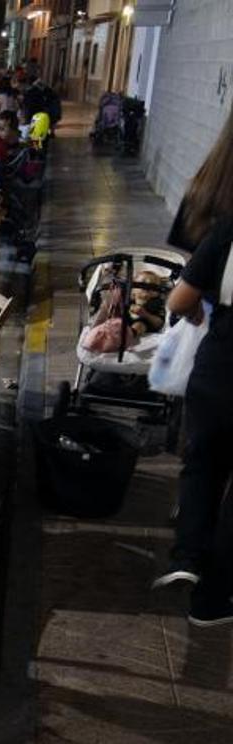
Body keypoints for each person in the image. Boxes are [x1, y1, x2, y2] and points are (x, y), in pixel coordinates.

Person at [150, 110, 233, 624]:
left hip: (214, 358)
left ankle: (188, 556)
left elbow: (183, 288)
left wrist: (201, 305)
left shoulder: (210, 191)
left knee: (202, 464)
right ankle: (213, 596)